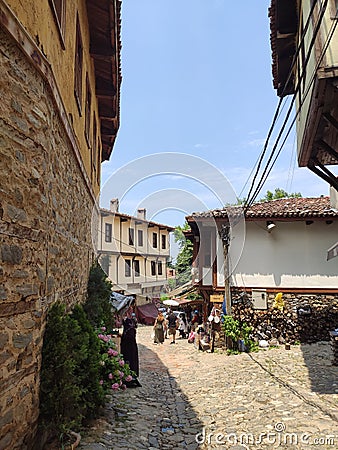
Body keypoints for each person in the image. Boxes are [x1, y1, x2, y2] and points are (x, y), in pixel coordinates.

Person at [120, 309, 141, 387]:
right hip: (128, 348)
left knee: (131, 362)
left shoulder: (130, 329)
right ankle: (129, 376)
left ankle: (131, 377)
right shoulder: (129, 327)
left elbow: (129, 337)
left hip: (130, 348)